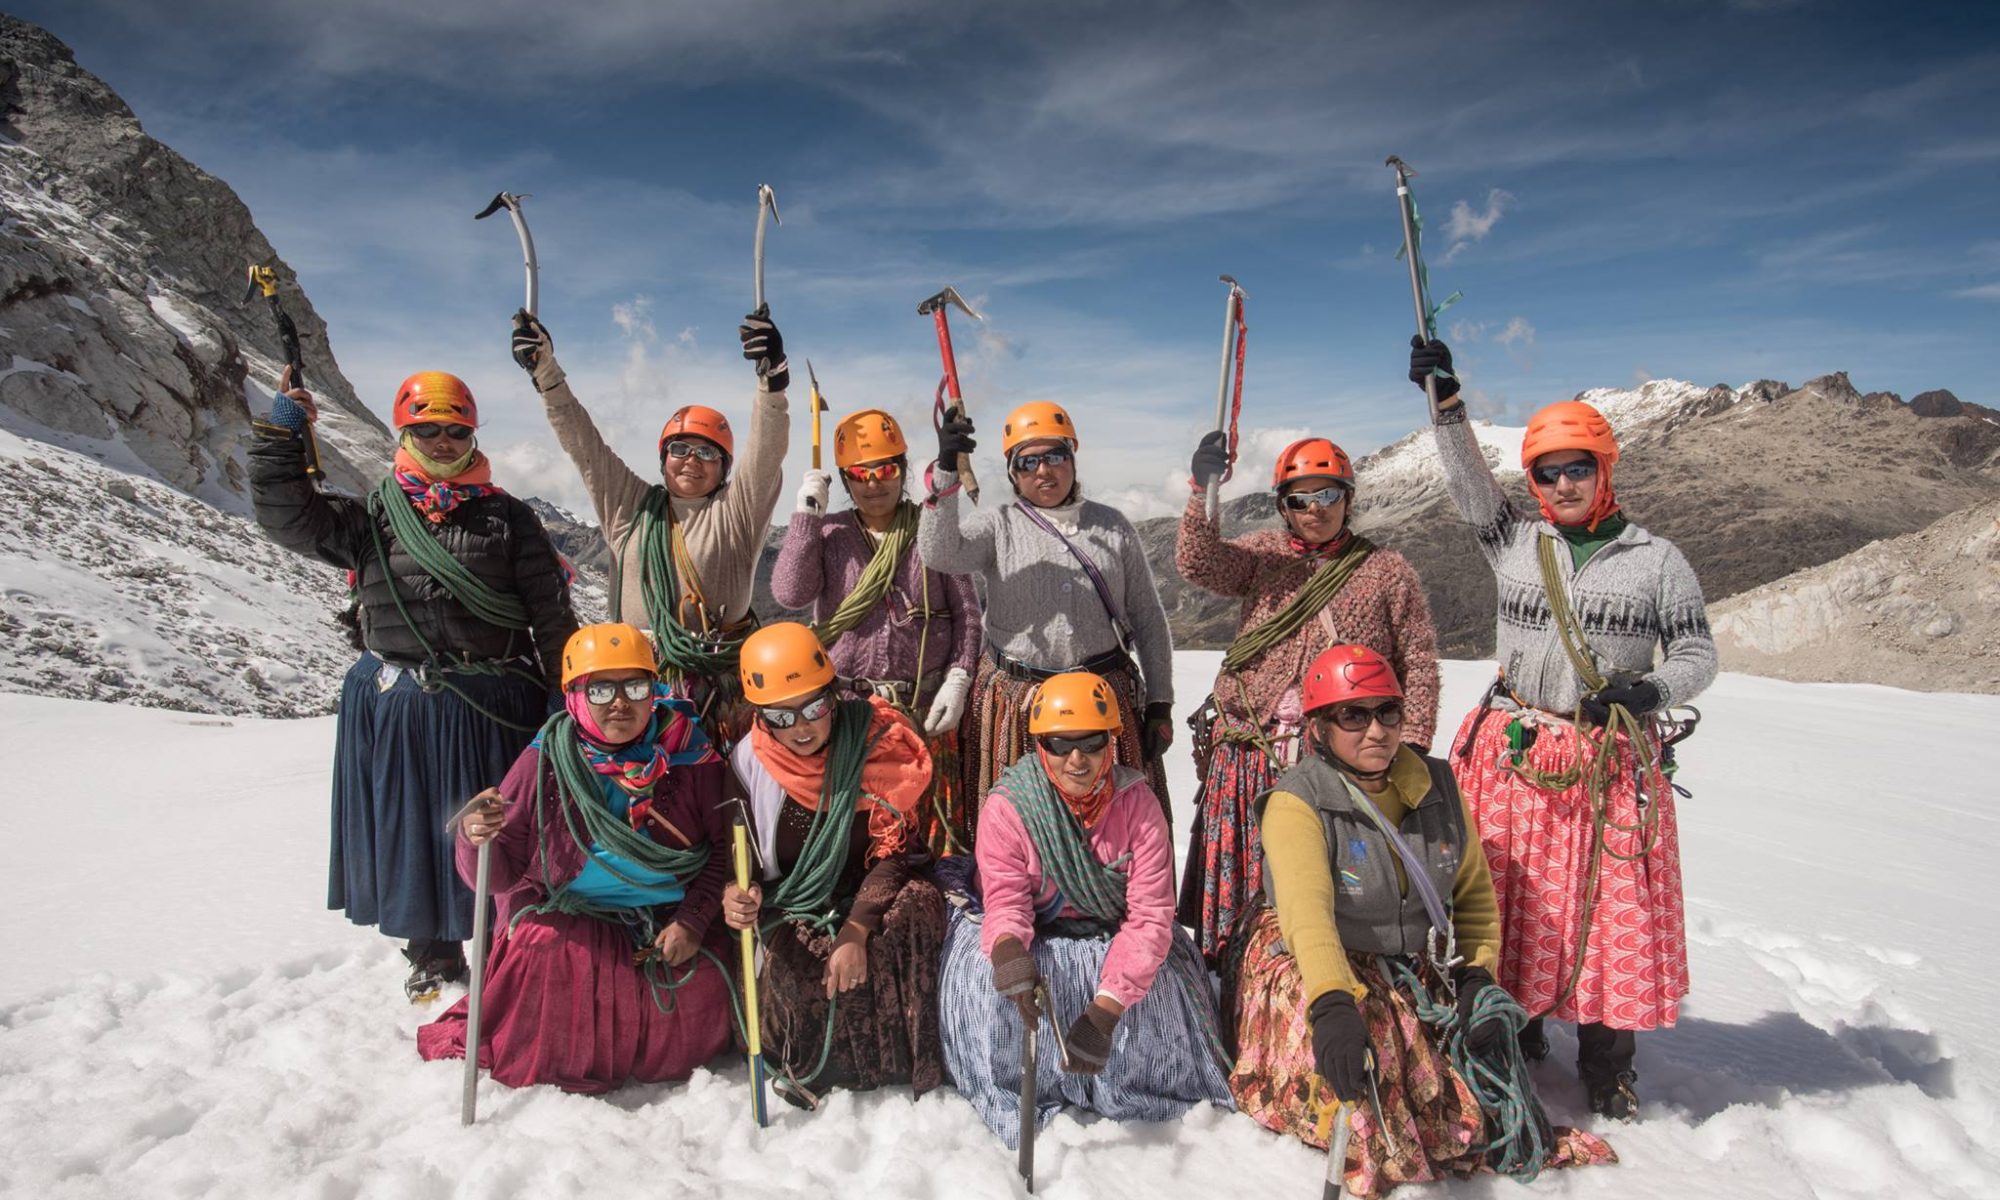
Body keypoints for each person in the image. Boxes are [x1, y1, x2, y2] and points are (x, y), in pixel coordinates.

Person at [1409, 337, 1716, 1119]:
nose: (1564, 482)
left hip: (1607, 755)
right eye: (1547, 471)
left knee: (1608, 906)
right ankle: (1521, 1022)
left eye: (1578, 466)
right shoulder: (1515, 540)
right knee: (1510, 896)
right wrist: (1444, 404)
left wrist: (1652, 689)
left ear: (1605, 467)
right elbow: (1469, 482)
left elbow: (1696, 650)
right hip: (1516, 751)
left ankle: (1609, 1062)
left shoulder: (1658, 560)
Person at [1230, 645, 1614, 1197]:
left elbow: (1474, 895)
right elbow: (1307, 916)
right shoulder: (1299, 803)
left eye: (1387, 711)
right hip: (1322, 962)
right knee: (1374, 1080)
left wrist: (1477, 977)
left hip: (1414, 960)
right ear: (1318, 727)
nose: (1377, 730)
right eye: (1353, 715)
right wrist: (1333, 1004)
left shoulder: (1437, 786)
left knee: (1470, 1098)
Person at [250, 369, 577, 1002]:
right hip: (402, 701)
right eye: (430, 430)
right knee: (415, 828)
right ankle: (430, 953)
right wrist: (283, 434)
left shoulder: (509, 519)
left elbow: (551, 617)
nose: (445, 441)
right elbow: (288, 515)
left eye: (457, 431)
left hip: (491, 702)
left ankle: (512, 939)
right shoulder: (371, 516)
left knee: (495, 825)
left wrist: (562, 704)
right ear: (407, 431)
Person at [416, 623, 734, 1092]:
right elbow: (498, 877)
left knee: (699, 979)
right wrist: (474, 838)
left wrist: (693, 919)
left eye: (635, 685)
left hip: (670, 911)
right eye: (601, 688)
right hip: (571, 908)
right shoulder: (544, 761)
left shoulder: (693, 756)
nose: (620, 702)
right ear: (575, 696)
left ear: (655, 689)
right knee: (547, 955)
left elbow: (726, 851)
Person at [1176, 431, 1441, 969]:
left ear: (1348, 498)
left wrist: (1407, 745)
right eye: (1300, 498)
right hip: (1253, 750)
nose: (1314, 509)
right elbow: (1199, 563)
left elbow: (1417, 660)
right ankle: (1239, 984)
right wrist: (1201, 490)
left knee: (1329, 879)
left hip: (1339, 759)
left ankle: (1325, 981)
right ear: (1283, 506)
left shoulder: (1386, 571)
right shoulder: (1263, 558)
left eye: (1327, 495)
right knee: (1248, 877)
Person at [938, 671, 1232, 1149]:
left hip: (1115, 934)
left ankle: (1136, 1086)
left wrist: (1106, 1010)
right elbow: (1007, 901)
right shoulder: (1009, 809)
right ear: (1039, 745)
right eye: (1059, 743)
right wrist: (1010, 955)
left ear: (1111, 742)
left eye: (1091, 742)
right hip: (1035, 929)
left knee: (1160, 979)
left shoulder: (1139, 808)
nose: (1077, 759)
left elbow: (1150, 916)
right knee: (983, 976)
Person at [917, 401, 1177, 840]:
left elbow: (1148, 618)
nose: (1043, 471)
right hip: (1017, 702)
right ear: (1013, 474)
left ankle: (1121, 902)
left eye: (1054, 456)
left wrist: (1160, 703)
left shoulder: (1112, 527)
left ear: (1073, 459)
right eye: (1027, 462)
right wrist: (945, 471)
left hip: (1102, 700)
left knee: (1112, 829)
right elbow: (939, 552)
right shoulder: (998, 525)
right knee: (1022, 829)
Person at [507, 308, 787, 707]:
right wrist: (545, 372)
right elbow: (583, 443)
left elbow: (766, 453)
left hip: (716, 690)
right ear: (663, 459)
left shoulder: (737, 513)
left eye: (708, 453)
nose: (692, 459)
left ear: (725, 468)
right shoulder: (630, 506)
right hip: (635, 688)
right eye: (680, 449)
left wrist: (771, 383)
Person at [721, 622, 946, 1106]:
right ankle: (816, 1068)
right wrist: (742, 893)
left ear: (834, 696)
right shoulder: (748, 766)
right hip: (797, 899)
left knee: (917, 910)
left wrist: (856, 930)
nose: (801, 728)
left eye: (814, 708)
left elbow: (897, 848)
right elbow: (740, 856)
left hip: (874, 887)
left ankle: (904, 1063)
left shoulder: (877, 742)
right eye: (781, 717)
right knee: (797, 970)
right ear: (759, 717)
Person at [770, 408, 983, 851]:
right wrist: (807, 515)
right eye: (859, 474)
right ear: (845, 481)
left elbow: (967, 614)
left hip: (923, 711)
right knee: (864, 839)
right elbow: (790, 592)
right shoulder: (830, 534)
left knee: (929, 839)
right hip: (853, 715)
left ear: (903, 470)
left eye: (886, 469)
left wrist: (959, 678)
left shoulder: (931, 531)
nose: (874, 483)